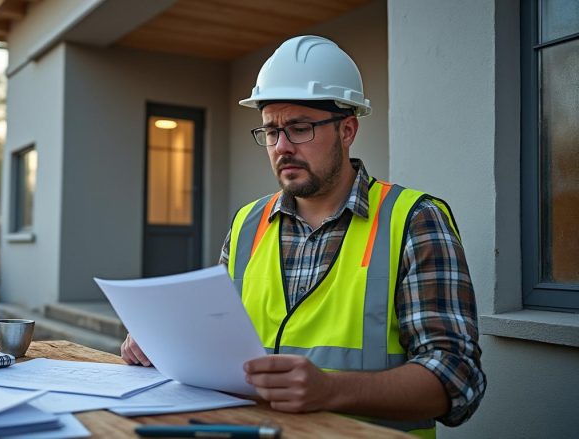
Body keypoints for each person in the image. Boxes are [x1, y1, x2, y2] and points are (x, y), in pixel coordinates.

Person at [121, 35, 485, 437]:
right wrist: (163, 341)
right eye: (271, 131)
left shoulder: (415, 221)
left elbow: (458, 380)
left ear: (347, 130)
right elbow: (214, 337)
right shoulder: (247, 223)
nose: (282, 147)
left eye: (300, 128)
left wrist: (330, 390)